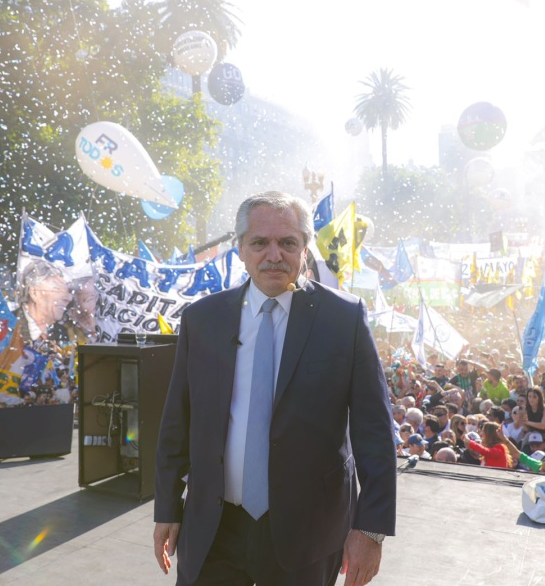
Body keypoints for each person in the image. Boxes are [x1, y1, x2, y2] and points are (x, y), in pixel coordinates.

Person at [153, 191, 396, 585]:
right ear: (241, 250)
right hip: (213, 528)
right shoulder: (203, 319)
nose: (274, 254)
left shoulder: (343, 319)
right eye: (259, 243)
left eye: (287, 242)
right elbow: (177, 422)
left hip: (308, 533)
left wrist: (371, 530)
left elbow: (375, 432)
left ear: (304, 249)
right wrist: (166, 508)